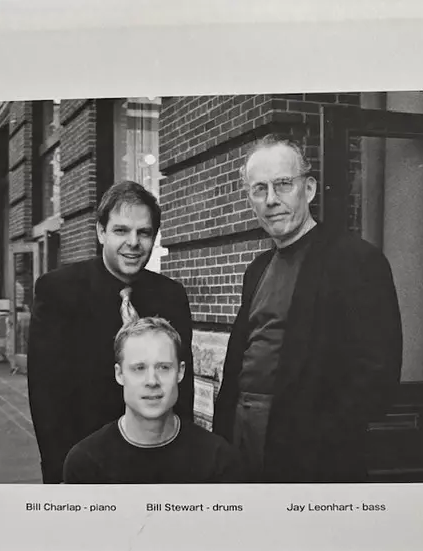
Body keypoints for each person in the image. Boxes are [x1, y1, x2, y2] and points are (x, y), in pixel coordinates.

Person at [213, 135, 403, 483]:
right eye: (259, 189)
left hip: (311, 453)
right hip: (242, 438)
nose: (272, 200)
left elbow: (378, 375)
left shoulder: (356, 260)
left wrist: (318, 437)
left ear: (309, 189)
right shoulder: (256, 269)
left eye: (283, 184)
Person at [27, 181, 194, 484]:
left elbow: (183, 387)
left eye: (144, 233)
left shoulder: (171, 295)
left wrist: (184, 460)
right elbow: (45, 395)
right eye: (121, 230)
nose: (133, 242)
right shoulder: (59, 291)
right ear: (101, 232)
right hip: (87, 466)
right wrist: (60, 474)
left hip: (159, 464)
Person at [63, 317, 243, 483]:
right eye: (139, 368)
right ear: (119, 374)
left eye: (163, 367)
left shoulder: (217, 460)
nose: (152, 381)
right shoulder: (86, 463)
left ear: (180, 372)